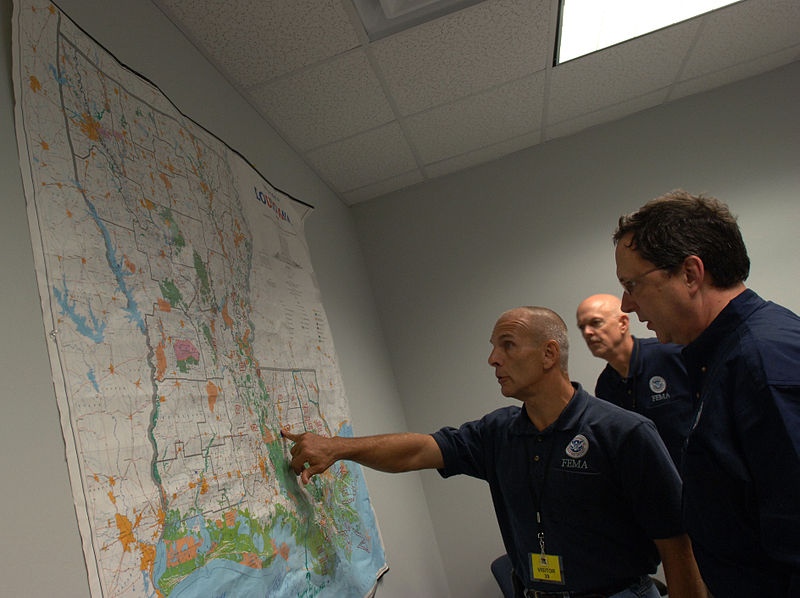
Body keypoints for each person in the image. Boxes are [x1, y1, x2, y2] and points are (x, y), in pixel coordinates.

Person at [282, 306, 707, 598]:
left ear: (549, 354)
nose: (492, 359)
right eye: (492, 346)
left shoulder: (624, 432)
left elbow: (678, 548)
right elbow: (418, 451)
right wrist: (338, 448)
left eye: (506, 345)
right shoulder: (499, 432)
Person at [613, 190, 800, 597]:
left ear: (691, 274)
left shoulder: (763, 363)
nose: (626, 304)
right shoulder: (718, 356)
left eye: (632, 284)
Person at [576, 294, 693, 469]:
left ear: (623, 323)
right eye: (582, 327)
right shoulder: (606, 386)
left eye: (596, 323)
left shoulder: (669, 355)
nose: (587, 333)